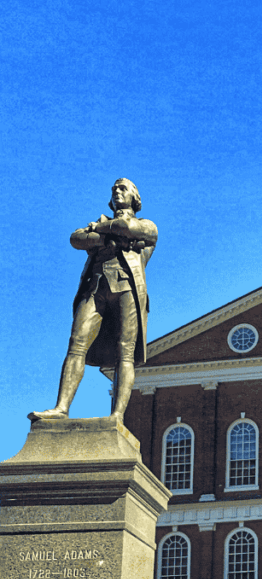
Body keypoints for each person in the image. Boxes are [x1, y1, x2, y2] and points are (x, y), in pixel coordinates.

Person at [30, 178, 157, 422]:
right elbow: (76, 239)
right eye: (114, 189)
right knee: (76, 343)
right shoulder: (104, 225)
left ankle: (117, 415)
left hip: (127, 288)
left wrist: (100, 229)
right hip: (95, 287)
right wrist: (109, 236)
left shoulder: (147, 225)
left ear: (134, 197)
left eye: (122, 188)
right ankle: (61, 408)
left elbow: (130, 229)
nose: (116, 191)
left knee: (125, 352)